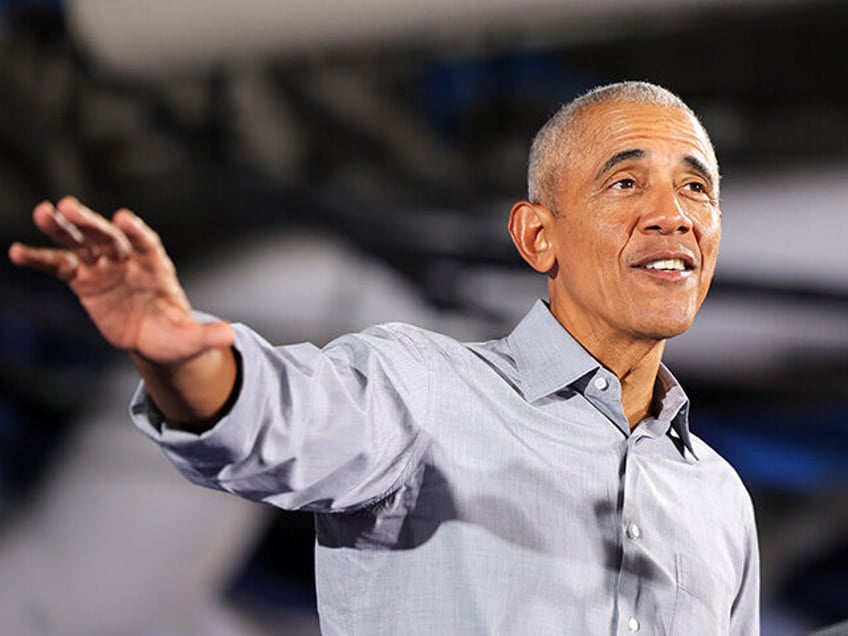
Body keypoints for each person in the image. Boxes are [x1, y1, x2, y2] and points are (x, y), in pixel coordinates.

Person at [8, 81, 759, 635]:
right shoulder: (428, 391)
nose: (674, 215)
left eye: (697, 189)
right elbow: (275, 422)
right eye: (626, 183)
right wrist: (179, 357)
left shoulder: (720, 502)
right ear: (538, 237)